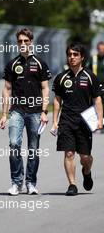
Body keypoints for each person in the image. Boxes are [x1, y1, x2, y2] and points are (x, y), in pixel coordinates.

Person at [0, 28, 52, 195]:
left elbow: (45, 89)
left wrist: (44, 111)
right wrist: (4, 114)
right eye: (20, 41)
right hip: (17, 111)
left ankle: (31, 183)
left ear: (31, 42)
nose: (22, 44)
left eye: (25, 41)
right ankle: (16, 183)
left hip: (36, 112)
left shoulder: (40, 63)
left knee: (33, 148)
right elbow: (7, 89)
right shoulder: (12, 65)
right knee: (14, 144)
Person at [52, 43, 103, 196]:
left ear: (82, 57)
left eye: (75, 55)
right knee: (68, 154)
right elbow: (57, 101)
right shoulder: (61, 78)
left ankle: (86, 172)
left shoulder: (90, 77)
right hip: (66, 120)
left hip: (84, 121)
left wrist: (100, 120)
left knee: (85, 157)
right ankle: (72, 185)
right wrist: (55, 121)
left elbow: (98, 100)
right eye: (70, 55)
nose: (72, 57)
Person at [86, 41, 104, 132]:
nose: (101, 51)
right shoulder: (93, 59)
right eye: (100, 49)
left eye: (103, 49)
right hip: (95, 86)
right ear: (97, 49)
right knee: (94, 105)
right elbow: (87, 70)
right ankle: (93, 124)